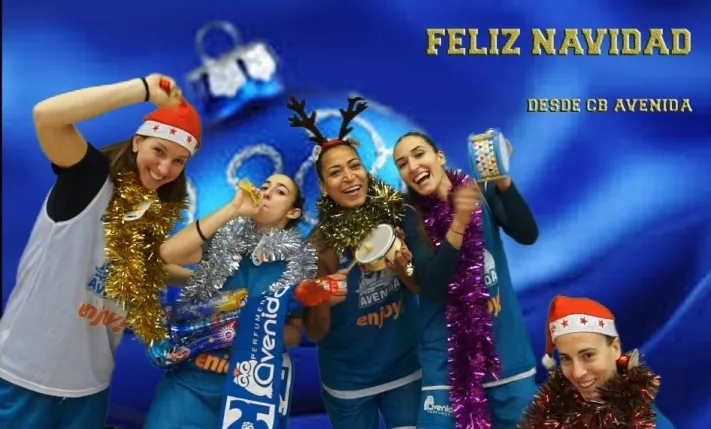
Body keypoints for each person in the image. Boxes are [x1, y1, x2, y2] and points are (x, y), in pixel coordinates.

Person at [0, 74, 200, 428]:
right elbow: (46, 116)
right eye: (159, 150)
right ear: (137, 141)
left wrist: (205, 280)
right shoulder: (90, 179)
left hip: (90, 387)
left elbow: (145, 267)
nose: (164, 168)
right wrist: (143, 89)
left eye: (179, 161)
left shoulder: (150, 210)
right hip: (25, 376)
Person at [288, 96, 422, 429]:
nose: (348, 177)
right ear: (323, 187)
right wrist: (322, 299)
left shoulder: (399, 216)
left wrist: (402, 266)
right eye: (335, 172)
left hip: (406, 367)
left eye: (354, 166)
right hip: (348, 381)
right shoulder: (318, 245)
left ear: (366, 170)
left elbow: (422, 287)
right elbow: (315, 332)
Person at [145, 173, 318, 429]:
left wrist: (244, 324)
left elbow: (293, 333)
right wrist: (232, 209)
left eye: (280, 191)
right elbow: (168, 253)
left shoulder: (297, 265)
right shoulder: (224, 240)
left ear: (292, 212)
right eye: (265, 186)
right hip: (190, 382)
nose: (267, 192)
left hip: (250, 392)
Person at [393, 132, 539, 429]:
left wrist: (502, 181)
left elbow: (527, 234)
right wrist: (459, 223)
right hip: (446, 363)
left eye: (419, 154)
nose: (413, 166)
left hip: (506, 355)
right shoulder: (410, 215)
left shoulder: (480, 192)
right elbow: (432, 286)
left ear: (440, 157)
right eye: (402, 163)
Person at [519, 295, 675, 429]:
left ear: (615, 348)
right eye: (566, 358)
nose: (577, 373)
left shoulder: (649, 424)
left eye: (588, 355)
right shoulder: (546, 412)